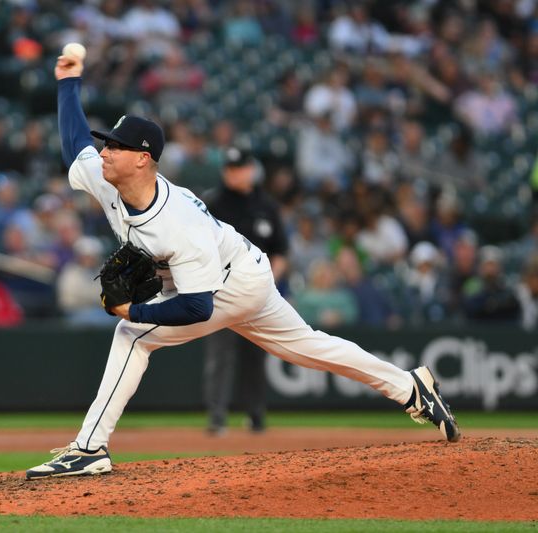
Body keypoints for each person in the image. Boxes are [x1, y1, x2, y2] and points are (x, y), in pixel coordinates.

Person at [25, 52, 461, 481]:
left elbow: (198, 307)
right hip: (245, 268)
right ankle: (410, 386)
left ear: (143, 158)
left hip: (229, 286)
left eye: (116, 147)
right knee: (309, 346)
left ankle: (89, 447)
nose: (105, 151)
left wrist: (134, 312)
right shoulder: (108, 177)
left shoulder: (178, 225)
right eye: (108, 143)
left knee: (132, 335)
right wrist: (69, 82)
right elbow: (75, 145)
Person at [201, 147, 289, 435]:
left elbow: (280, 251)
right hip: (221, 292)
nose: (235, 173)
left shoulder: (266, 206)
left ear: (251, 169)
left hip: (258, 293)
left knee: (257, 354)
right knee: (219, 356)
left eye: (240, 167)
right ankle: (217, 416)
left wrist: (265, 282)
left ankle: (256, 415)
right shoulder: (212, 203)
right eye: (230, 168)